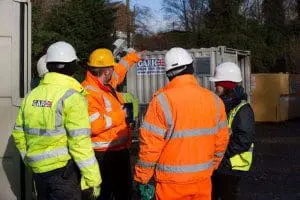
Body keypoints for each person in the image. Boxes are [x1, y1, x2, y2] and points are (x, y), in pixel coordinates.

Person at [134, 47, 230, 200]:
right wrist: (212, 166)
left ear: (168, 74)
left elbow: (150, 146)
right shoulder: (215, 101)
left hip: (171, 184)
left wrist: (142, 178)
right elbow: (221, 141)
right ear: (191, 68)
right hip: (202, 180)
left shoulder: (162, 101)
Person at [12, 41, 101, 200]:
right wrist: (93, 179)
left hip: (39, 175)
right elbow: (79, 143)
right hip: (63, 176)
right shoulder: (72, 96)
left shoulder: (31, 96)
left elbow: (18, 133)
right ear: (72, 66)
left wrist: (31, 159)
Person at [81, 48, 141, 200]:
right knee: (104, 195)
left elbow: (120, 69)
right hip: (102, 156)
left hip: (119, 151)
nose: (113, 71)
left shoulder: (106, 84)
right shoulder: (89, 92)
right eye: (111, 68)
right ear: (106, 71)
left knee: (124, 193)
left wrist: (134, 57)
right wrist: (121, 114)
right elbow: (93, 126)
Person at [209, 62, 255, 200]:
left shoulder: (243, 109)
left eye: (217, 83)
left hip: (231, 166)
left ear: (226, 85)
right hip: (220, 164)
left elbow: (243, 140)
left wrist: (222, 155)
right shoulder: (221, 104)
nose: (215, 86)